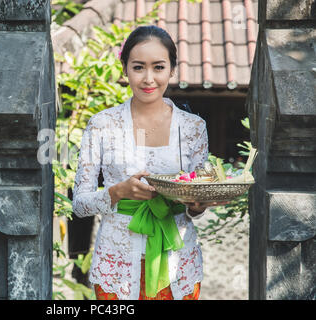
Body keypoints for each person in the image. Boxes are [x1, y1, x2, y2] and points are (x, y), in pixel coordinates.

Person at [72, 25, 228, 300]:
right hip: (116, 261)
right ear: (125, 69)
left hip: (177, 260)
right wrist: (117, 192)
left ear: (172, 70)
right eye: (138, 67)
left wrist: (197, 205)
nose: (148, 78)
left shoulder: (193, 127)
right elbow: (80, 204)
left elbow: (196, 205)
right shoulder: (102, 125)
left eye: (158, 67)